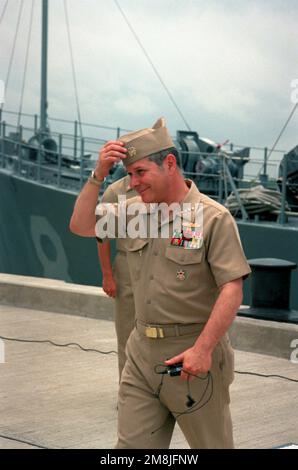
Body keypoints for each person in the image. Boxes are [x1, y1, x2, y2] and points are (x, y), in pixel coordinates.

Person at [69, 117, 251, 449]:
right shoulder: (133, 213)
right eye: (129, 174)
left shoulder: (212, 218)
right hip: (140, 357)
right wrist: (97, 176)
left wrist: (203, 349)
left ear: (169, 164)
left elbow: (232, 288)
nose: (134, 182)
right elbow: (81, 226)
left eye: (140, 172)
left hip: (192, 360)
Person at [98, 175, 137, 380]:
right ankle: (129, 392)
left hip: (163, 268)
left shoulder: (166, 189)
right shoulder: (114, 192)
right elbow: (102, 236)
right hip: (128, 268)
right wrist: (107, 276)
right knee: (127, 333)